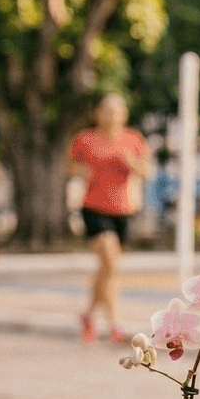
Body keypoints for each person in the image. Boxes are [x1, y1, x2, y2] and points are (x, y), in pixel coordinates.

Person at [68, 95, 149, 344]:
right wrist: (82, 171)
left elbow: (145, 172)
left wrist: (131, 163)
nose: (112, 115)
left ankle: (88, 315)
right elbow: (70, 166)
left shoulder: (133, 140)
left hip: (123, 210)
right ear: (98, 113)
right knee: (111, 264)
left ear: (124, 114)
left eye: (117, 110)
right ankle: (115, 325)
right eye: (107, 110)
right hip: (93, 208)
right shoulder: (85, 139)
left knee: (108, 269)